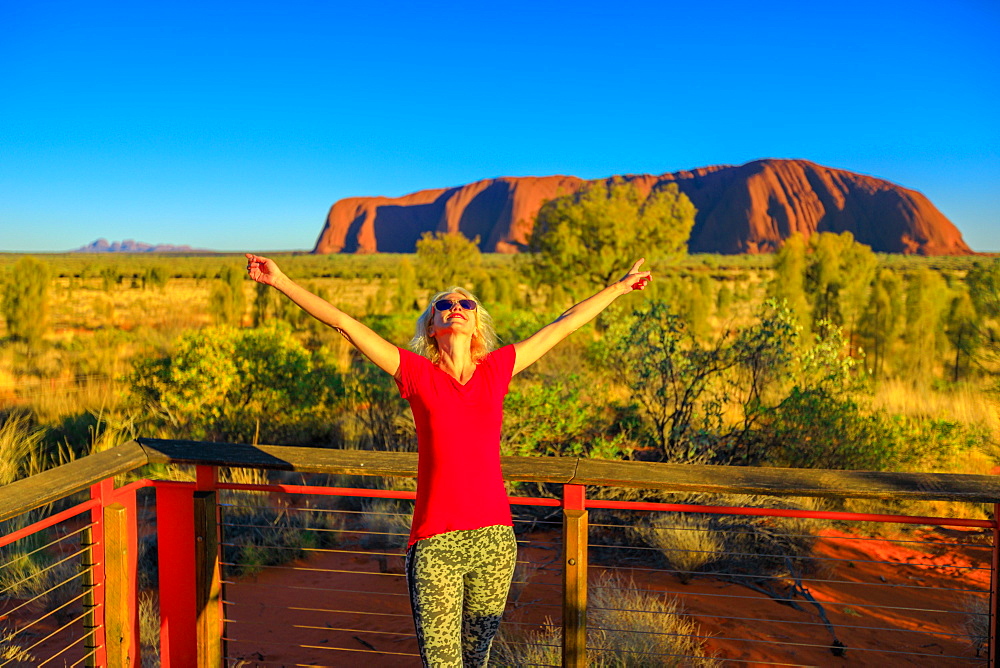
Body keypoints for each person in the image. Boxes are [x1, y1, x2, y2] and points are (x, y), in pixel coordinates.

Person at [245, 252, 651, 667]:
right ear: (431, 326)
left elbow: (562, 325)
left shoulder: (497, 369)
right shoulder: (416, 373)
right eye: (444, 305)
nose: (455, 309)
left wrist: (619, 288)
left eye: (466, 305)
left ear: (477, 324)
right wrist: (281, 282)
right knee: (442, 663)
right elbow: (345, 325)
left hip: (494, 539)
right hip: (435, 542)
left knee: (477, 659)